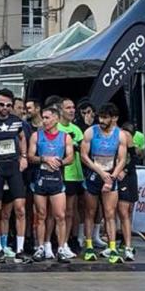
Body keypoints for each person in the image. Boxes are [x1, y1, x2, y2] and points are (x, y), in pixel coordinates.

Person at [0, 89, 29, 263]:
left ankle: (20, 249)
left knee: (20, 208)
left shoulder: (17, 121)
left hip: (13, 167)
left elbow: (22, 137)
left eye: (9, 105)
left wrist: (23, 157)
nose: (5, 108)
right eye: (2, 104)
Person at [80, 103, 128, 264]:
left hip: (110, 174)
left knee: (110, 213)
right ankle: (88, 246)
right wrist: (100, 172)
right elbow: (84, 156)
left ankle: (112, 247)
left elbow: (122, 159)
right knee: (90, 212)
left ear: (114, 118)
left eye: (105, 118)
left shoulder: (120, 135)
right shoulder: (90, 132)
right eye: (100, 117)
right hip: (94, 174)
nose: (101, 120)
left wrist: (112, 177)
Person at [28, 105, 74, 263]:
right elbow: (30, 156)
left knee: (60, 216)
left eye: (47, 118)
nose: (44, 121)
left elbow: (70, 157)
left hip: (56, 179)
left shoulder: (65, 137)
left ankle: (61, 248)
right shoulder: (36, 135)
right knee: (41, 215)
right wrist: (45, 159)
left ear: (56, 119)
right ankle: (40, 247)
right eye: (43, 118)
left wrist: (60, 162)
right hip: (41, 179)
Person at [57, 98, 85, 254]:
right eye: (68, 107)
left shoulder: (77, 129)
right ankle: (57, 242)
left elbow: (83, 151)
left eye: (73, 107)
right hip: (61, 174)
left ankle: (69, 240)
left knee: (71, 211)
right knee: (59, 213)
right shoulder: (56, 127)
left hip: (76, 175)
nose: (72, 110)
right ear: (60, 110)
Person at [115, 118, 140, 262]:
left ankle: (127, 244)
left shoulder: (127, 137)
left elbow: (134, 157)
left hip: (128, 176)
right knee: (113, 211)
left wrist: (124, 170)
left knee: (126, 210)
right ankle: (114, 243)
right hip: (114, 174)